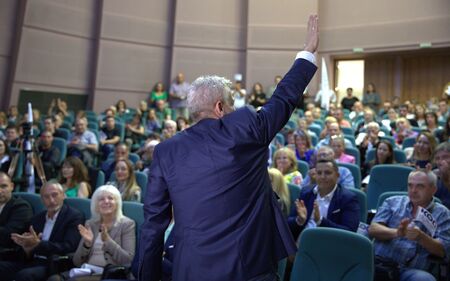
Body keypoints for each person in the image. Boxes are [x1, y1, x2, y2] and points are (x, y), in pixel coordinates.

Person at [137, 14, 318, 281]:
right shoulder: (244, 127)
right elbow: (283, 99)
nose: (234, 110)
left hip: (190, 270)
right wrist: (307, 54)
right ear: (220, 107)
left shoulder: (166, 150)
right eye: (230, 105)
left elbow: (153, 224)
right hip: (249, 269)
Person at [369, 170, 450, 281]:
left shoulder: (442, 213)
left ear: (433, 190)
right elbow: (373, 229)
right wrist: (397, 233)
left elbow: (442, 250)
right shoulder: (392, 202)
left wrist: (421, 237)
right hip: (379, 263)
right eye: (410, 185)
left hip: (410, 271)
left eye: (420, 186)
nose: (413, 190)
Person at [48, 185, 136, 281]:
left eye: (110, 198)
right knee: (54, 279)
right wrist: (87, 244)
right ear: (96, 205)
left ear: (117, 203)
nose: (106, 201)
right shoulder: (91, 224)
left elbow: (128, 261)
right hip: (87, 270)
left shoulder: (127, 224)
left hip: (109, 274)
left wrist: (107, 240)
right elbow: (77, 261)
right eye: (101, 199)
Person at [0, 181, 84, 281]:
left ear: (63, 195)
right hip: (32, 261)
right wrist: (26, 247)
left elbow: (69, 247)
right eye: (46, 197)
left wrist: (38, 244)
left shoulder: (74, 217)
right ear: (42, 200)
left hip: (52, 264)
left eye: (55, 195)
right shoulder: (37, 219)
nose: (51, 200)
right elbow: (27, 251)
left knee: (25, 275)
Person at [288, 159, 360, 241]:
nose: (322, 177)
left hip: (330, 243)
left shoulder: (348, 198)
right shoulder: (306, 192)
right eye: (319, 173)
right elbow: (288, 224)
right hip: (303, 241)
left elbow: (350, 232)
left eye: (327, 173)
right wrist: (299, 220)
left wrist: (320, 221)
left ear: (337, 175)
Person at [0, 172, 32, 258]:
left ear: (12, 186)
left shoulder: (21, 207)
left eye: (3, 186)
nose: (0, 191)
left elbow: (8, 236)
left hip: (9, 255)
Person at [433, 142, 450, 209]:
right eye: (437, 158)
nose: (441, 161)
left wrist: (446, 176)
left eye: (445, 157)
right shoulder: (434, 176)